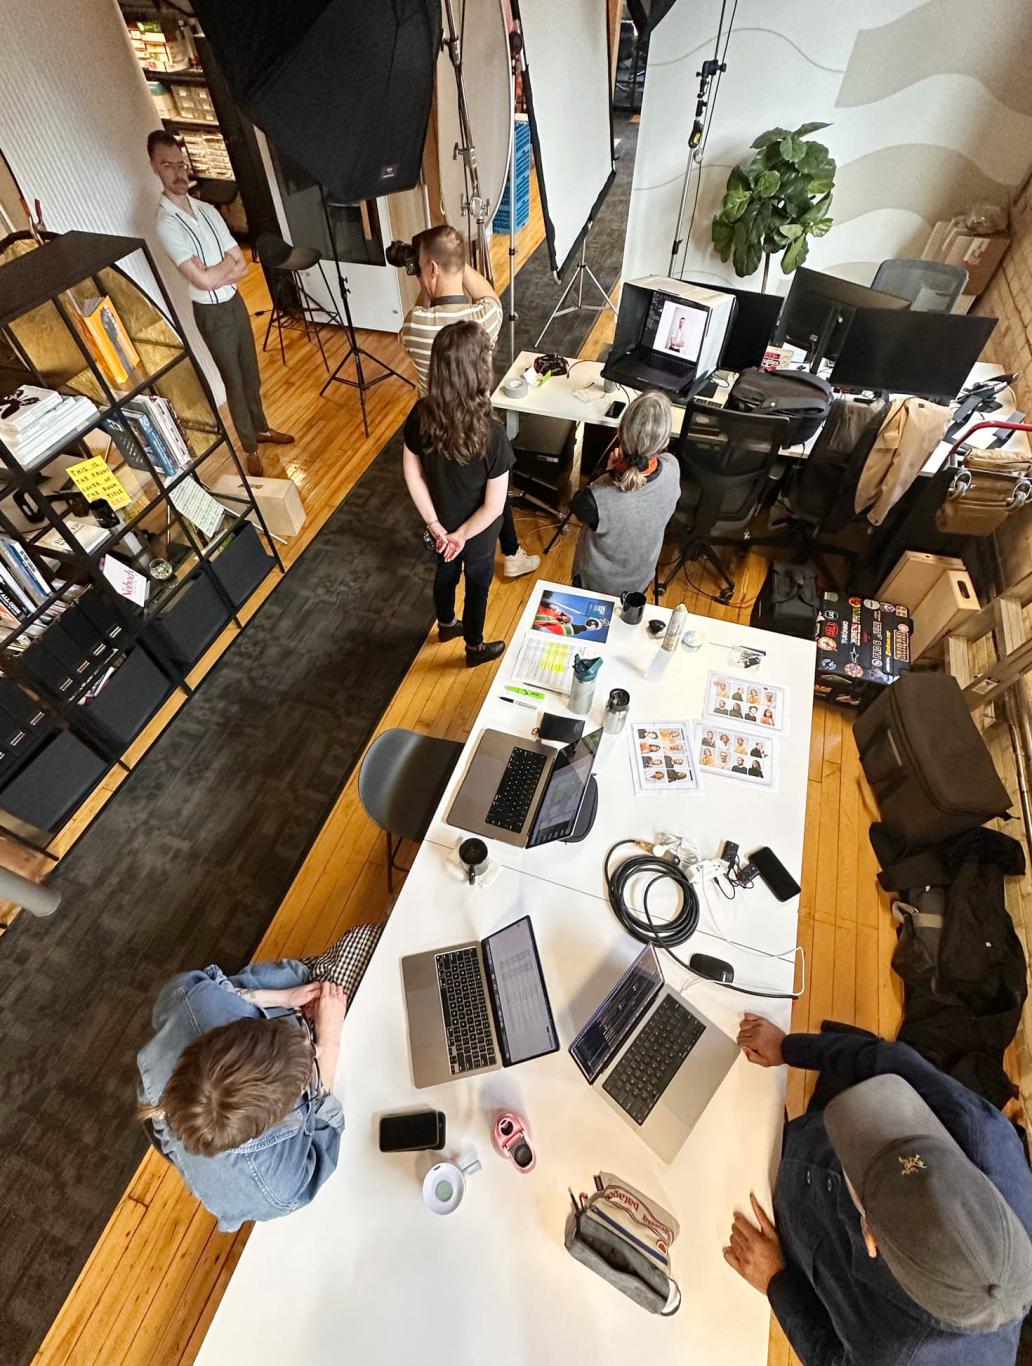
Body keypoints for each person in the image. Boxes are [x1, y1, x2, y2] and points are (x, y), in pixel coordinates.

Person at [724, 1016, 1032, 1363]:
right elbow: (893, 1062)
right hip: (801, 1150)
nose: (845, 1159)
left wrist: (776, 1280)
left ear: (871, 1239)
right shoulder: (989, 1138)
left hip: (803, 1235)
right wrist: (788, 1047)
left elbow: (829, 1357)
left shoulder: (895, 1356)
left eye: (856, 1168)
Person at [137, 920, 383, 1230]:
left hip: (184, 1100)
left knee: (353, 946)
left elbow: (207, 989)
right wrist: (329, 1045)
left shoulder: (198, 1003)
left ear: (228, 1032)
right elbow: (321, 1140)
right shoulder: (275, 1184)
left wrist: (281, 999)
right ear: (275, 1119)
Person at [147, 131, 293, 477]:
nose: (177, 172)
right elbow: (203, 281)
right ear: (155, 167)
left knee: (251, 374)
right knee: (234, 381)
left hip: (234, 302)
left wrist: (218, 271)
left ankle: (262, 428)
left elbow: (239, 264)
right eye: (168, 166)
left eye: (180, 163)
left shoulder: (208, 210)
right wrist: (220, 271)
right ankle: (250, 447)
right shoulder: (166, 223)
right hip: (211, 313)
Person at [399, 224, 538, 580]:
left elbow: (422, 306)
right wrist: (454, 261)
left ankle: (444, 540)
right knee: (492, 486)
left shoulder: (415, 326)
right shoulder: (485, 320)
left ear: (429, 269)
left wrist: (426, 274)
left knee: (444, 490)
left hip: (430, 426)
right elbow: (488, 295)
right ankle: (510, 551)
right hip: (477, 424)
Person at [402, 321, 513, 667]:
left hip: (441, 530)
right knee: (477, 589)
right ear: (479, 373)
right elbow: (494, 507)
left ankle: (447, 623)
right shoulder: (493, 435)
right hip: (475, 538)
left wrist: (437, 527)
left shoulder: (421, 414)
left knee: (445, 573)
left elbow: (413, 474)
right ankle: (474, 648)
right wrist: (461, 536)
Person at [569, 391, 680, 597]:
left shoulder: (597, 499)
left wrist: (607, 474)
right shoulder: (673, 468)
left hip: (594, 585)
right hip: (641, 579)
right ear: (664, 441)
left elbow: (578, 505)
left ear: (620, 433)